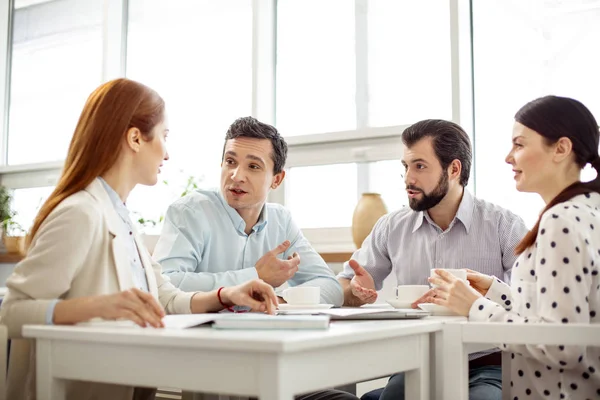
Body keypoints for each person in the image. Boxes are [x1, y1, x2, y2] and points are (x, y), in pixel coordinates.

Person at [0, 78, 279, 400]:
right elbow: (13, 312)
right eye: (163, 136)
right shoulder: (81, 213)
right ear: (135, 138)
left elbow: (166, 300)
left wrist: (227, 294)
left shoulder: (121, 216)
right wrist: (99, 306)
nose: (167, 153)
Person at [338, 119, 529, 400]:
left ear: (454, 169)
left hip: (490, 365)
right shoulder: (392, 226)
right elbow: (343, 286)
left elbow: (526, 303)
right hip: (418, 363)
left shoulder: (504, 226)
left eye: (420, 166)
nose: (408, 179)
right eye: (405, 167)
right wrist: (354, 291)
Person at [429, 95, 600, 399]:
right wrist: (496, 291)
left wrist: (474, 306)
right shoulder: (589, 210)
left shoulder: (560, 221)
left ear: (561, 148)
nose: (509, 157)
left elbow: (561, 345)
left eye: (519, 145)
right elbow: (564, 315)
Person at [153, 116, 343, 306]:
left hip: (261, 331)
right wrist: (256, 276)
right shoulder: (190, 211)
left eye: (253, 166)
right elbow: (165, 285)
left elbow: (330, 286)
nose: (236, 176)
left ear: (276, 179)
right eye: (230, 161)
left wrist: (279, 300)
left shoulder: (281, 222)